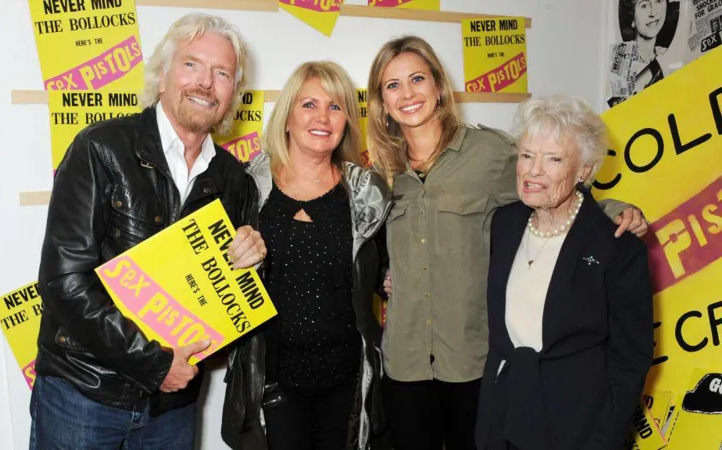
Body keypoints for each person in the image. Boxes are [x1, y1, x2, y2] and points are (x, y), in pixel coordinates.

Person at [366, 35, 649, 450]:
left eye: (417, 79)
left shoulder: (493, 152)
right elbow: (373, 251)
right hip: (405, 363)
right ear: (381, 102)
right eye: (393, 85)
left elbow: (558, 176)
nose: (407, 94)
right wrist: (384, 276)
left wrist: (614, 210)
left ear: (439, 87)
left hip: (475, 362)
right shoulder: (379, 172)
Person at [31, 13, 267, 450]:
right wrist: (155, 364)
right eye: (191, 64)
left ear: (233, 93)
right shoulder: (100, 149)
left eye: (222, 73)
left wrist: (252, 262)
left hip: (173, 410)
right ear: (162, 76)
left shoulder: (237, 181)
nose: (205, 83)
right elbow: (63, 282)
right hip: (84, 395)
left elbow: (234, 307)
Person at [221, 61, 391, 450]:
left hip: (346, 381)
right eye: (309, 104)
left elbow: (381, 266)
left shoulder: (367, 192)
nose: (322, 117)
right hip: (274, 381)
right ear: (286, 118)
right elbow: (216, 279)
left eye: (335, 106)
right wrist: (234, 259)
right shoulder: (247, 189)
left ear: (347, 119)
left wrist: (388, 277)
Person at [474, 95, 653, 450]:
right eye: (526, 155)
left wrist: (603, 439)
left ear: (584, 170)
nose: (533, 170)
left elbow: (631, 359)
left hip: (576, 430)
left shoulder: (616, 245)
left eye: (553, 159)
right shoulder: (505, 224)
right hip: (502, 419)